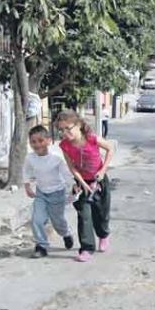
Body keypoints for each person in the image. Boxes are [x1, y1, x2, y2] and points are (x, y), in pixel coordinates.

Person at [56, 110, 115, 262]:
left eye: (68, 128)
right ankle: (87, 248)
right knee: (84, 215)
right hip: (81, 183)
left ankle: (103, 235)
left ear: (79, 125)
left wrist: (102, 171)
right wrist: (82, 183)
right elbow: (72, 167)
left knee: (101, 213)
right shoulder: (64, 145)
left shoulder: (92, 138)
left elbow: (110, 149)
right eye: (61, 130)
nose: (65, 133)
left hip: (99, 180)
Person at [23, 125, 75, 258]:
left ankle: (66, 233)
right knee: (37, 219)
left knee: (58, 221)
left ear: (49, 140)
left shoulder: (56, 157)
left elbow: (66, 174)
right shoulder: (30, 158)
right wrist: (27, 186)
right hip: (41, 193)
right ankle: (41, 246)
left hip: (57, 193)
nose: (37, 144)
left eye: (40, 140)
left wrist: (73, 188)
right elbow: (26, 171)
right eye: (33, 142)